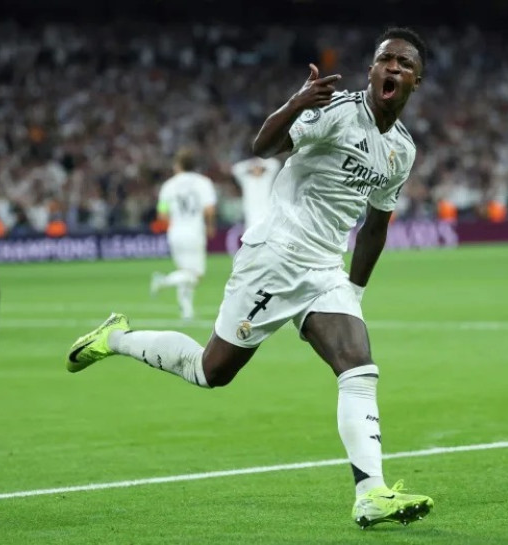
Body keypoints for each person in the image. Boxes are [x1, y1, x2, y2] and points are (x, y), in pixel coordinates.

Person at [67, 28, 433, 528]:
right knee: (211, 370)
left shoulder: (402, 151)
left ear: (417, 79)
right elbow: (264, 146)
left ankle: (370, 494)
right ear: (370, 71)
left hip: (324, 268)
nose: (391, 68)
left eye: (402, 63)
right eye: (383, 59)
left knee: (358, 368)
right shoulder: (339, 112)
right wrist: (298, 102)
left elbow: (375, 226)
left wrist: (354, 289)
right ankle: (117, 337)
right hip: (275, 256)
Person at [149, 148, 218, 320]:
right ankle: (163, 281)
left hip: (175, 232)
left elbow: (162, 215)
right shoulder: (203, 182)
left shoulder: (168, 185)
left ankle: (187, 311)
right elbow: (209, 209)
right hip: (194, 232)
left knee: (184, 272)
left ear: (178, 165)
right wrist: (210, 226)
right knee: (195, 275)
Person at [231, 156, 281, 229]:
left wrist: (260, 162)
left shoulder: (266, 179)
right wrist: (251, 163)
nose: (256, 169)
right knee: (250, 238)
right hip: (250, 215)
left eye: (258, 167)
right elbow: (235, 169)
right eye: (255, 167)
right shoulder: (247, 180)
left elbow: (275, 164)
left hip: (266, 214)